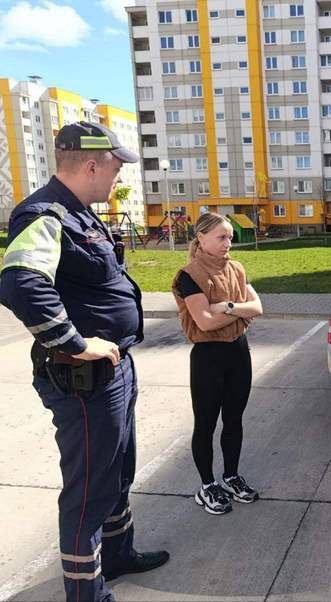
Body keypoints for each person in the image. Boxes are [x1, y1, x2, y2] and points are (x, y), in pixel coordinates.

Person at [0, 121, 169, 601]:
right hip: (84, 378)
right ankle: (87, 594)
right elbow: (20, 283)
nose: (119, 177)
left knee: (118, 472)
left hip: (114, 370)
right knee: (89, 492)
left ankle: (117, 554)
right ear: (92, 165)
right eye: (116, 169)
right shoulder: (44, 214)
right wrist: (74, 343)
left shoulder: (81, 214)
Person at [171, 213, 263, 515]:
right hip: (208, 358)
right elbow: (205, 322)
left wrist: (227, 306)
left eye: (230, 238)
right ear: (201, 237)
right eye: (222, 237)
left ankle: (231, 476)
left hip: (239, 352)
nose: (228, 243)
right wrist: (238, 311)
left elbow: (257, 307)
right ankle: (207, 485)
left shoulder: (237, 268)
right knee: (206, 423)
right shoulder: (189, 275)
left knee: (234, 419)